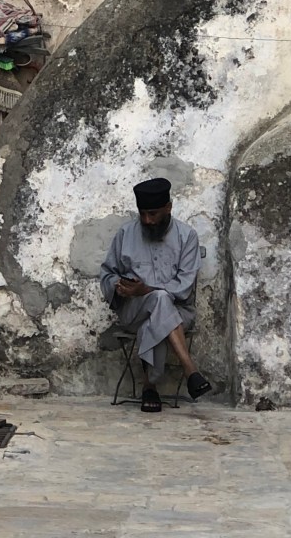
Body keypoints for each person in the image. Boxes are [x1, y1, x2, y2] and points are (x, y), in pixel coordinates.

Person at [100, 177, 211, 413]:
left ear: (168, 208)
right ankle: (190, 369)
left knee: (159, 306)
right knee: (159, 300)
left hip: (180, 312)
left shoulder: (187, 236)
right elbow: (107, 274)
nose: (147, 220)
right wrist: (119, 285)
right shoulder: (125, 234)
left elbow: (183, 287)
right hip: (134, 310)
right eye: (143, 214)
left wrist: (147, 289)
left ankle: (149, 387)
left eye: (153, 214)